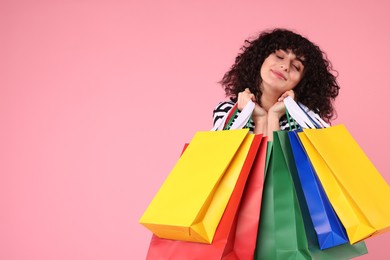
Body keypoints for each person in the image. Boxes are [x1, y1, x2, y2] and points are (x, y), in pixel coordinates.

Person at [213, 28, 340, 140]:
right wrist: (260, 119)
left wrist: (274, 116)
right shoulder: (227, 112)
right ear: (261, 59)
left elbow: (280, 167)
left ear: (303, 82)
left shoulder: (305, 118)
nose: (285, 66)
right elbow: (231, 164)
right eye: (279, 56)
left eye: (296, 66)